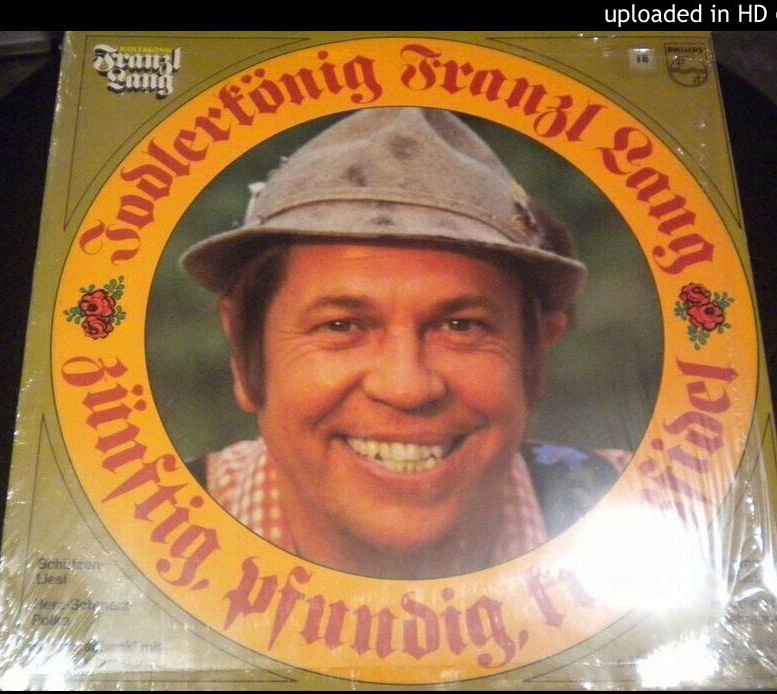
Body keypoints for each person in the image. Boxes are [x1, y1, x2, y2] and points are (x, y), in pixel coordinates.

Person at [180, 108, 628, 580]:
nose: (407, 388)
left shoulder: (656, 506)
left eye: (461, 326)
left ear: (535, 357)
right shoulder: (144, 523)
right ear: (244, 352)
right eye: (340, 326)